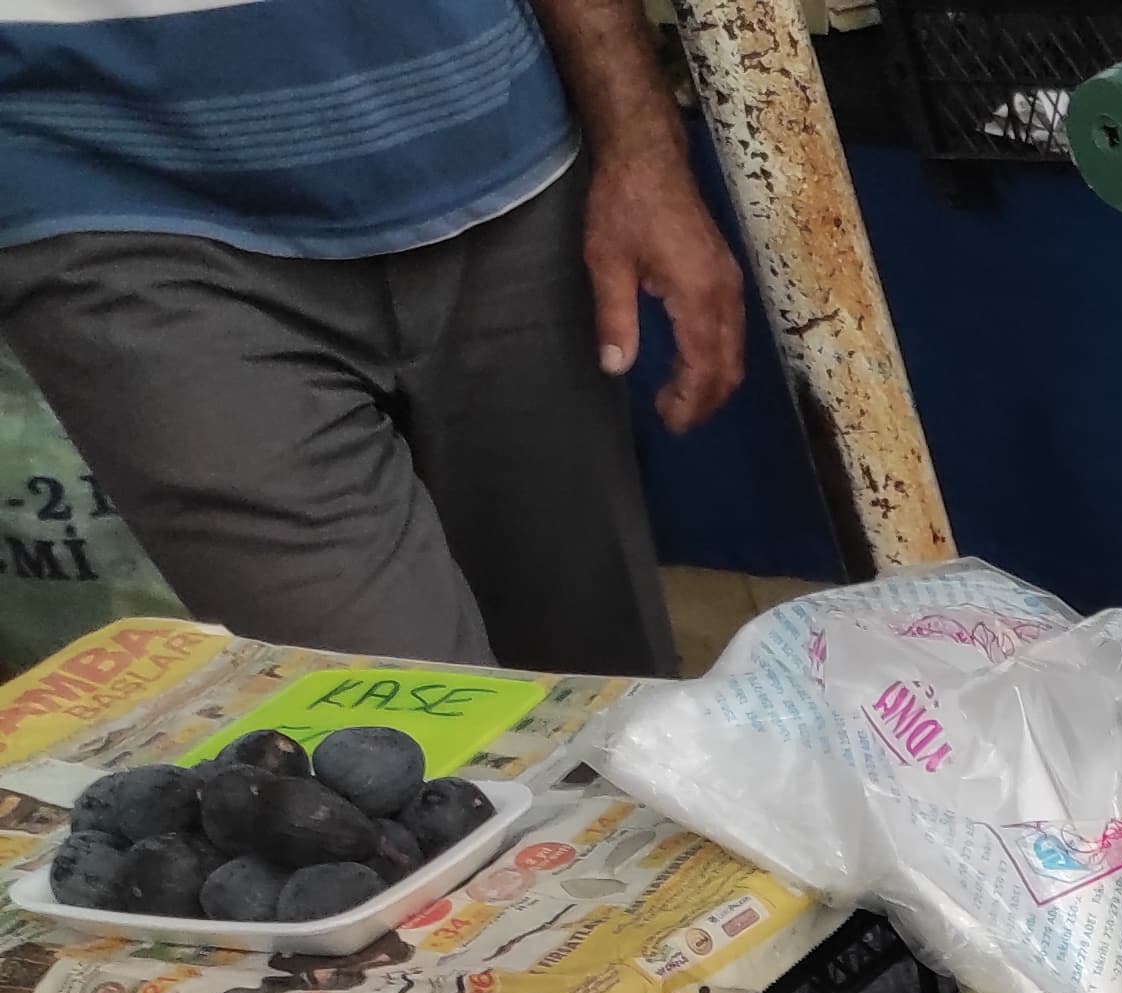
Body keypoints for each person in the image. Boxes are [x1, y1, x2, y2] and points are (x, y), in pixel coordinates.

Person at [0, 0, 749, 676]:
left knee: (599, 692)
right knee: (404, 739)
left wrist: (642, 148)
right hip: (113, 191)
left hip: (500, 152)